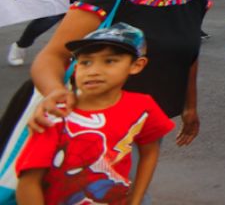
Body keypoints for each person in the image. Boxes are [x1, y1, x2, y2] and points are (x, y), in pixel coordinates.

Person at [29, 0, 221, 151]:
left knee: (135, 181)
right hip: (93, 120)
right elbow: (52, 56)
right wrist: (55, 93)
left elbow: (189, 56)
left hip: (153, 117)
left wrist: (190, 106)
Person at [16, 24, 173, 205]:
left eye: (110, 61)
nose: (94, 71)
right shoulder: (56, 115)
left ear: (136, 65)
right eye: (85, 62)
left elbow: (150, 151)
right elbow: (28, 182)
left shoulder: (143, 106)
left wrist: (136, 198)